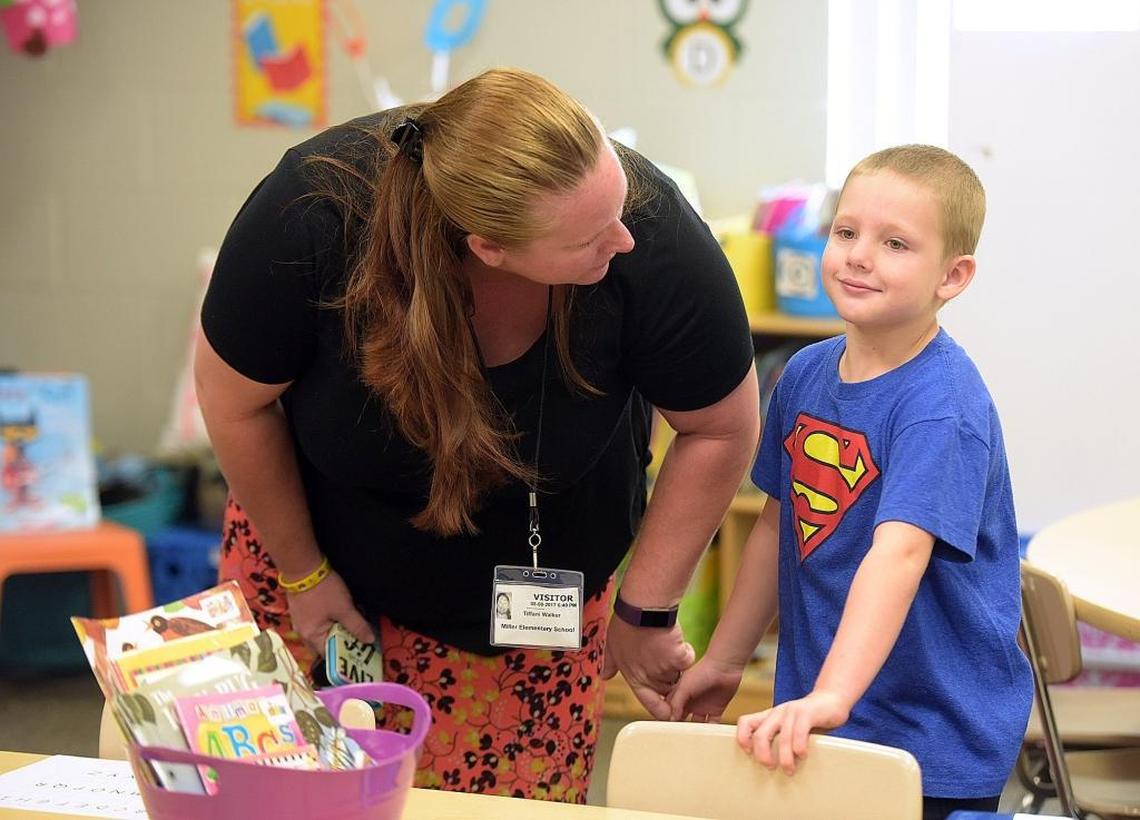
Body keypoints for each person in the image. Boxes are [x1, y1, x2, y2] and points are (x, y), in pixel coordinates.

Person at [194, 67, 759, 801]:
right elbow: (233, 402)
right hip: (311, 559)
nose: (623, 239)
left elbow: (721, 427)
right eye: (591, 236)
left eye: (619, 206)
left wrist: (645, 610)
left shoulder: (642, 228)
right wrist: (302, 573)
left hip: (536, 594)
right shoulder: (313, 214)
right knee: (289, 803)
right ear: (489, 248)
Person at [668, 145, 1033, 820]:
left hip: (931, 735)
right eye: (846, 232)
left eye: (895, 243)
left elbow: (898, 554)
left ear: (952, 277)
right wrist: (726, 659)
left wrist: (834, 694)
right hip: (822, 716)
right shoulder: (804, 374)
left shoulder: (942, 407)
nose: (859, 255)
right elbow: (780, 526)